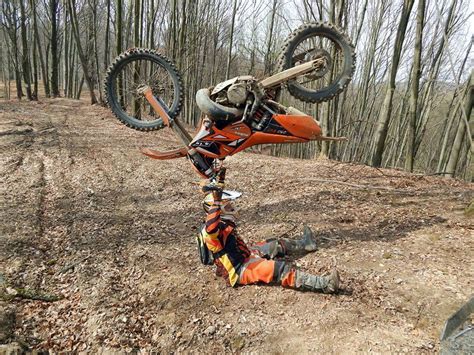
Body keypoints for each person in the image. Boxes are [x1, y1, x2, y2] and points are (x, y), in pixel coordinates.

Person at [197, 169, 340, 293]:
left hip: (246, 254)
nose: (232, 209)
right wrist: (216, 202)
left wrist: (220, 181)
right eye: (227, 207)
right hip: (240, 269)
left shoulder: (221, 221)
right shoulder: (211, 230)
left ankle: (306, 244)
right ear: (217, 210)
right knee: (279, 268)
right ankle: (325, 285)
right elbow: (212, 229)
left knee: (274, 243)